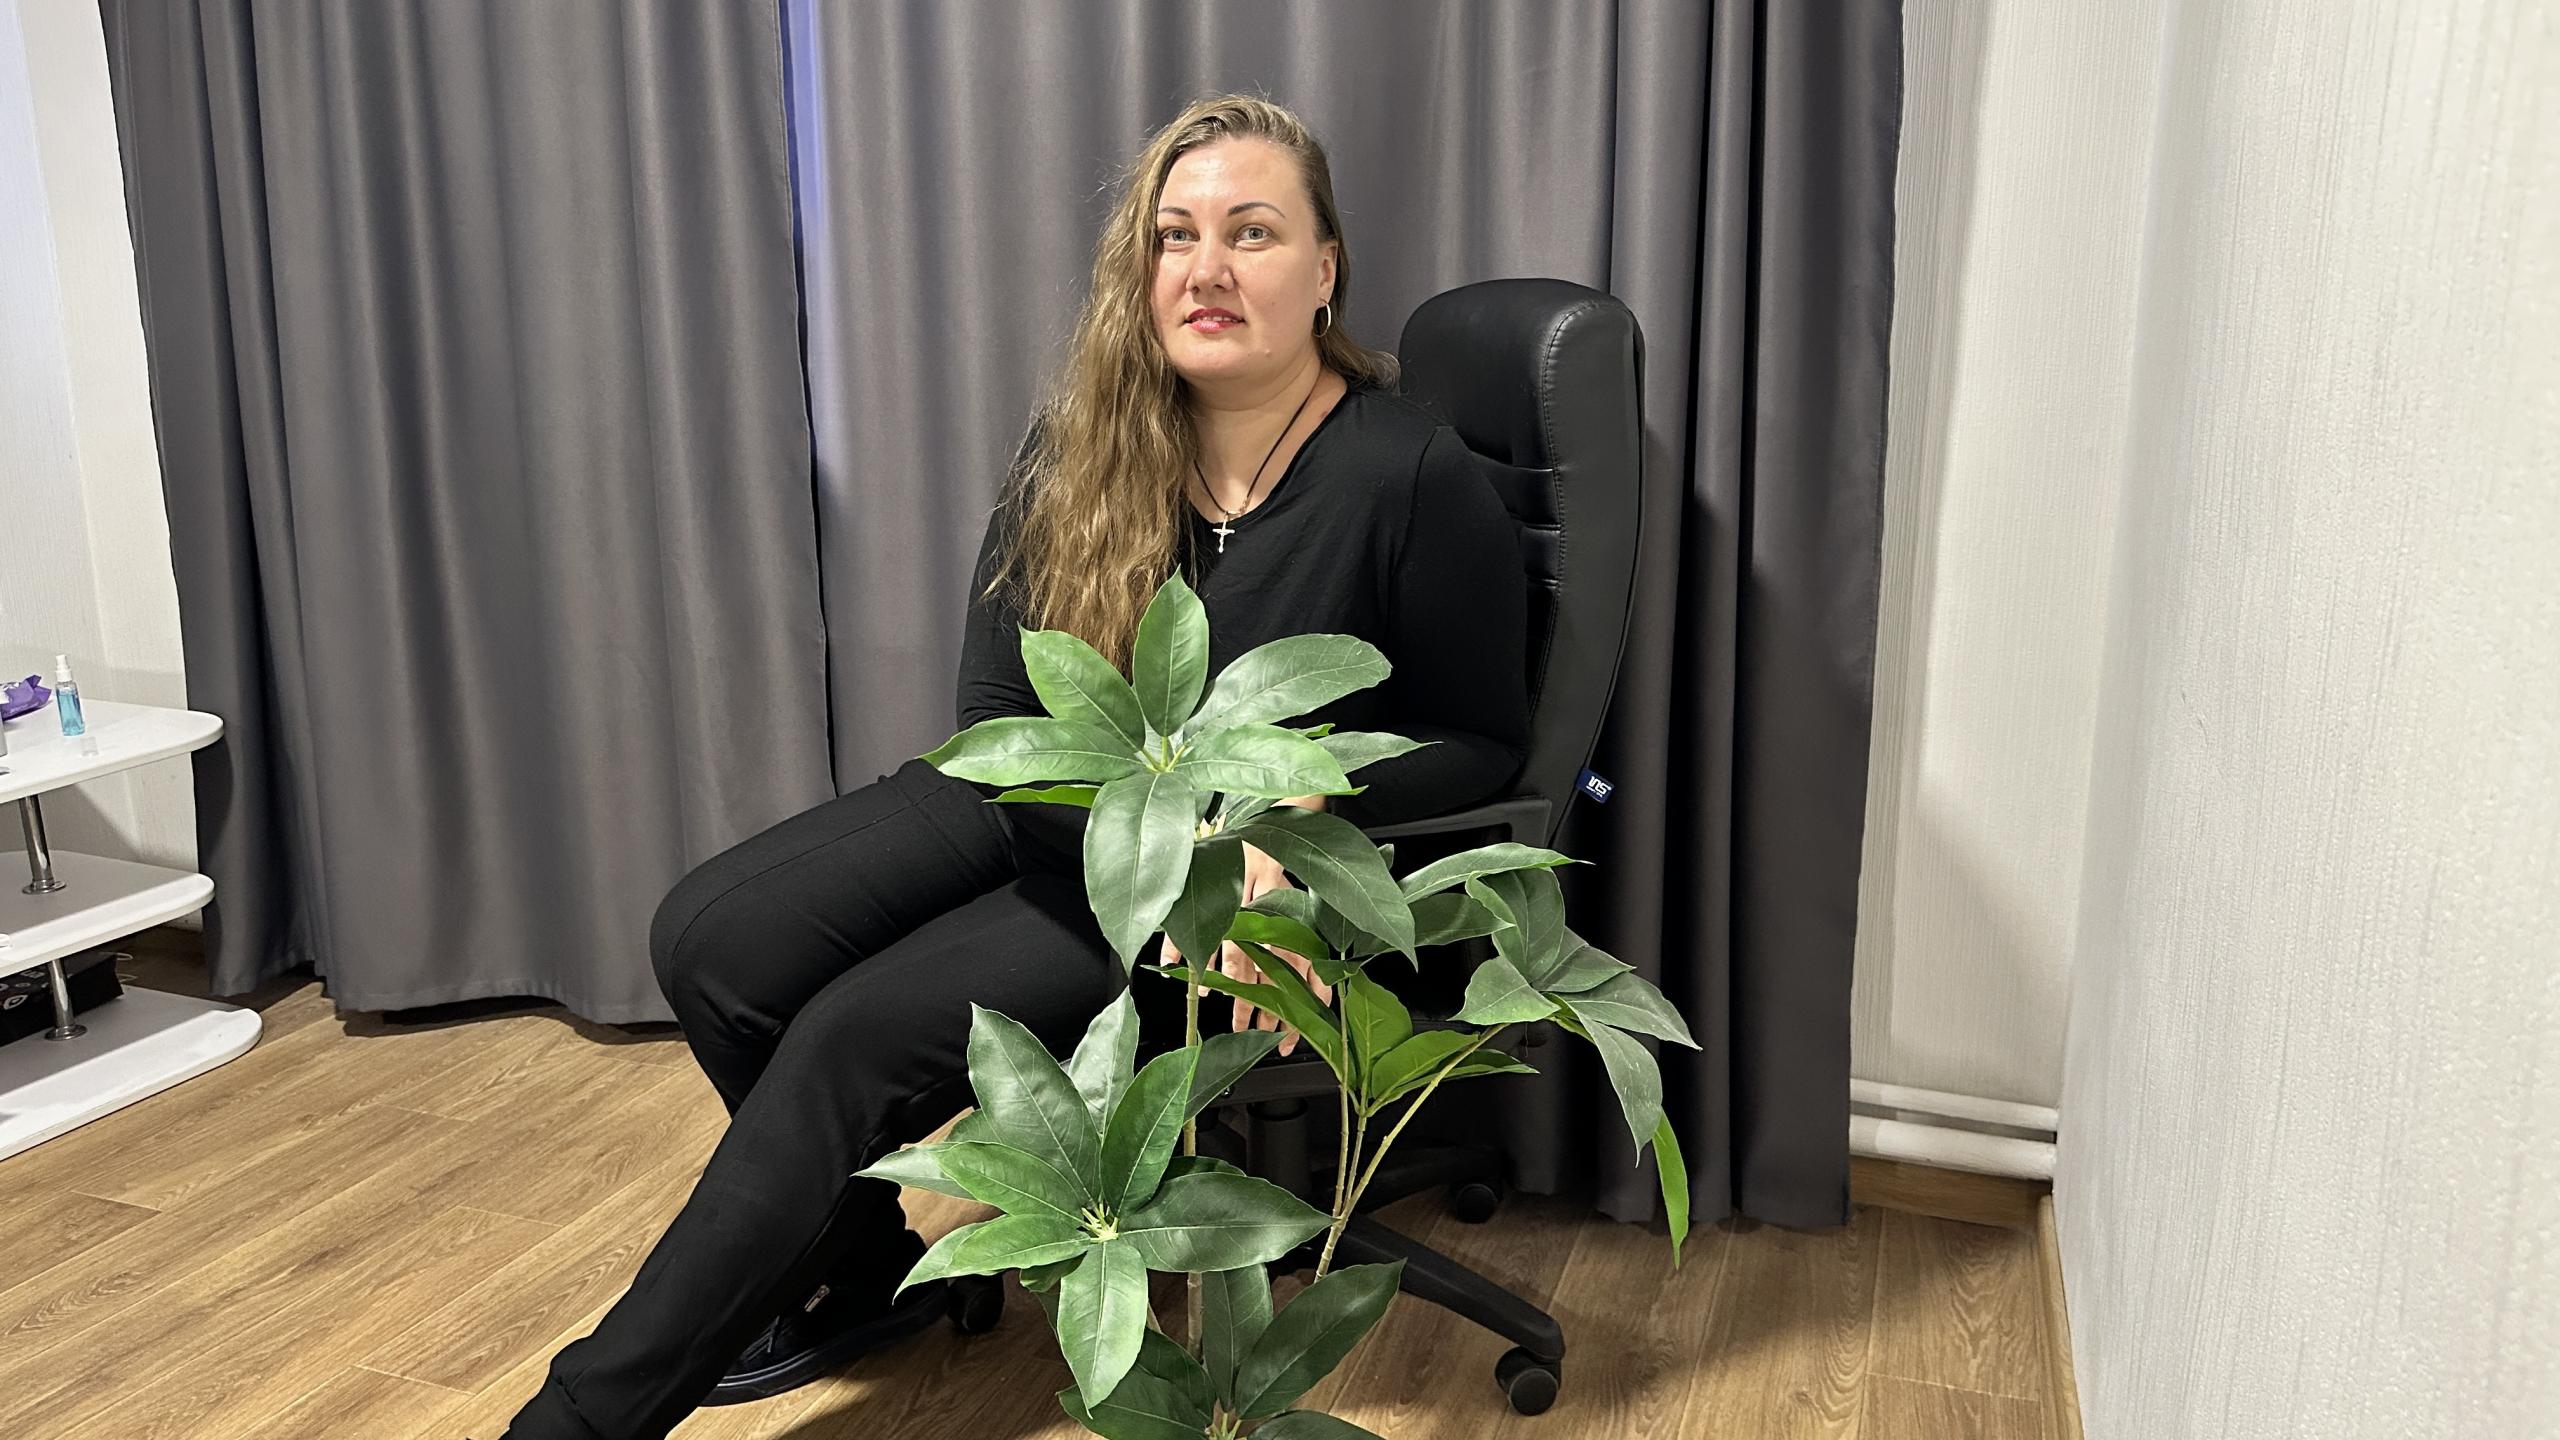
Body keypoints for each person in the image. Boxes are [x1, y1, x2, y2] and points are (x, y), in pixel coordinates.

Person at [501, 92, 1529, 1440]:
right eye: (1174, 236)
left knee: (850, 1042)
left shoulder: (1407, 474)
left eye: (1252, 232)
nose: (1207, 268)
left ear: (1325, 269)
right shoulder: (1088, 439)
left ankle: (579, 1419)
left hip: (1195, 884)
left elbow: (1486, 741)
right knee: (710, 939)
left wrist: (1302, 804)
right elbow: (995, 707)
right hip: (1040, 803)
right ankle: (851, 1255)